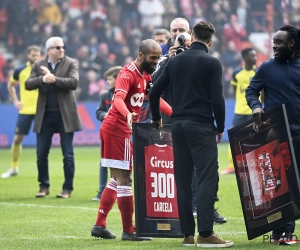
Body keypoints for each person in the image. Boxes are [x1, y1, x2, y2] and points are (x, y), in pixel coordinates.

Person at [149, 21, 233, 247]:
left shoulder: (174, 61)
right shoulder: (212, 62)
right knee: (206, 177)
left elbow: (154, 91)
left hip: (178, 126)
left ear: (191, 36)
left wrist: (157, 118)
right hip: (201, 125)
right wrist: (220, 126)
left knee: (183, 179)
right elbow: (218, 99)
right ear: (210, 41)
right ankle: (206, 233)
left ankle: (187, 235)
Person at [90, 39, 172, 241]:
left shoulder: (145, 75)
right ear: (141, 55)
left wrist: (174, 113)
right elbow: (118, 98)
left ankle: (100, 225)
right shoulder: (127, 73)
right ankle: (129, 230)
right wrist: (127, 113)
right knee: (125, 179)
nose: (155, 62)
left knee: (116, 179)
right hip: (118, 129)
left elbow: (154, 97)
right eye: (153, 58)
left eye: (157, 58)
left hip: (116, 129)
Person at [246, 24, 300, 245]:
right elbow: (251, 91)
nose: (274, 46)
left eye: (279, 42)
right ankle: (282, 231)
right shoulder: (266, 68)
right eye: (274, 42)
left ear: (292, 43)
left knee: (294, 183)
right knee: (278, 183)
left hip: (299, 134)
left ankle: (284, 230)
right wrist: (256, 106)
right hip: (275, 133)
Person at [25, 36, 82, 199]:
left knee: (68, 154)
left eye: (62, 47)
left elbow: (74, 83)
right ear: (49, 50)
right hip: (45, 116)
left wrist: (54, 79)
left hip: (65, 116)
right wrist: (43, 79)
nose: (61, 49)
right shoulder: (38, 64)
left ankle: (67, 189)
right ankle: (44, 186)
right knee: (41, 153)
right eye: (57, 47)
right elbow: (28, 84)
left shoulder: (71, 63)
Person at [1, 45, 41, 179]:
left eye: (37, 55)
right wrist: (15, 101)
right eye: (33, 55)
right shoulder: (20, 70)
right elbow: (10, 85)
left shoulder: (44, 70)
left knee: (44, 140)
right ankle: (14, 167)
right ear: (28, 55)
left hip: (41, 110)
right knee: (17, 139)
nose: (35, 58)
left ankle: (42, 172)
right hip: (25, 110)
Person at [221, 47, 258, 175]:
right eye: (253, 56)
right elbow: (234, 88)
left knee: (255, 139)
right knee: (234, 137)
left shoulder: (258, 72)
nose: (255, 58)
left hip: (254, 111)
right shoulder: (237, 73)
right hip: (239, 111)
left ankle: (255, 165)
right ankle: (232, 166)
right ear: (245, 58)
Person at [92, 66, 122, 201]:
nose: (107, 82)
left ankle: (120, 191)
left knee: (121, 164)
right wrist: (108, 115)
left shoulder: (127, 94)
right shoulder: (105, 95)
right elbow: (98, 112)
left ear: (118, 79)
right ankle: (102, 192)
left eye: (110, 79)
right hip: (108, 133)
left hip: (121, 134)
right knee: (104, 163)